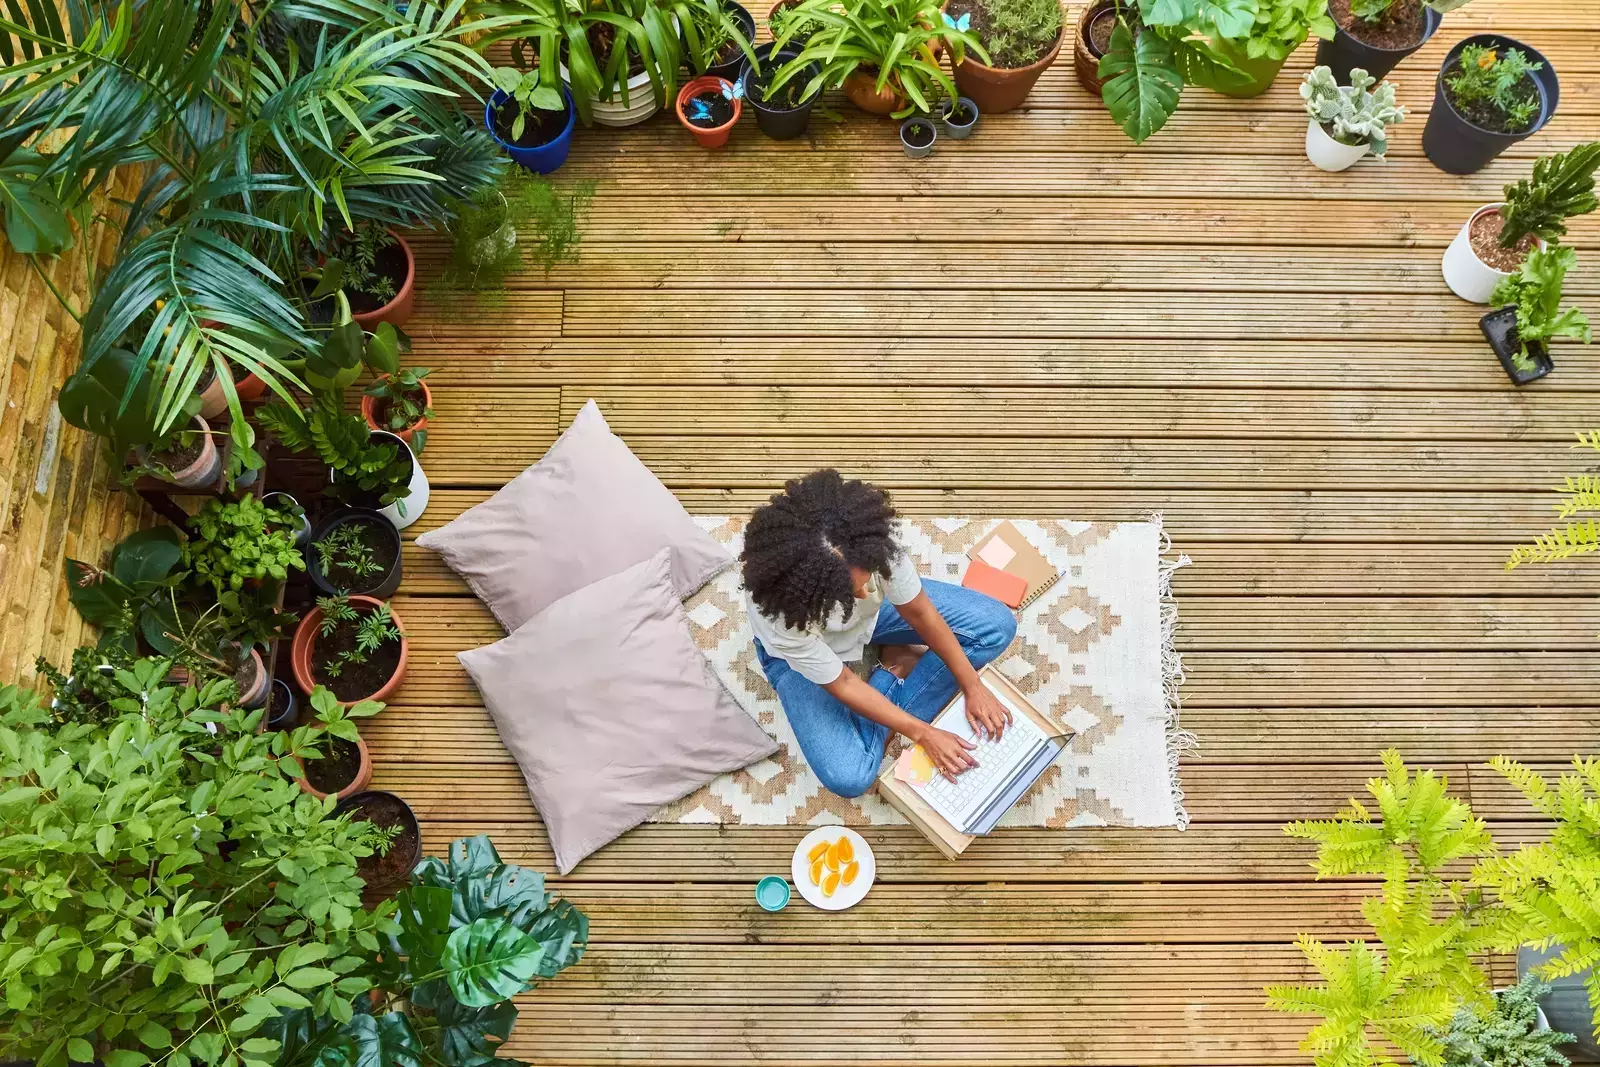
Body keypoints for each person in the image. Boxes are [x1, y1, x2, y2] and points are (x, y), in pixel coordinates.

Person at [740, 469, 1018, 799]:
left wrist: (972, 684)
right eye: (846, 594)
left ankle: (888, 688)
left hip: (872, 623)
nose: (862, 596)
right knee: (850, 777)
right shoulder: (780, 616)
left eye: (867, 579)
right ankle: (893, 670)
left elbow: (919, 611)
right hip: (801, 657)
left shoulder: (867, 543)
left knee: (997, 625)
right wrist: (924, 733)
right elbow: (842, 681)